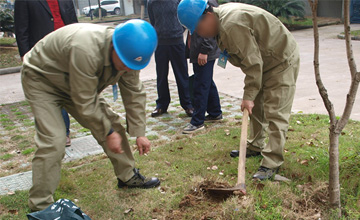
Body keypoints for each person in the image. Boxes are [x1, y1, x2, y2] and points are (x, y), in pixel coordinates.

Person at [21, 20, 160, 211]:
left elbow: (134, 93)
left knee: (113, 124)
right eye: (125, 64)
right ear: (114, 47)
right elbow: (85, 101)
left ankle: (127, 177)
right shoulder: (85, 49)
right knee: (54, 140)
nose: (127, 70)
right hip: (42, 79)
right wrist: (107, 133)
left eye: (132, 66)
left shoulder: (130, 58)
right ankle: (40, 206)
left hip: (75, 82)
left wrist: (139, 133)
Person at [178, 0, 300, 180]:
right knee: (256, 107)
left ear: (208, 16)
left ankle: (271, 163)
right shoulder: (220, 23)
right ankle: (255, 146)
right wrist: (252, 97)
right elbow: (253, 62)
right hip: (264, 60)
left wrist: (248, 96)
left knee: (275, 111)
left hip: (280, 60)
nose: (200, 34)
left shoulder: (231, 25)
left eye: (199, 28)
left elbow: (253, 63)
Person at [15, 0, 78, 146]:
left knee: (67, 90)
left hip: (66, 49)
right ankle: (61, 133)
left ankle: (63, 131)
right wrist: (25, 54)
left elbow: (74, 23)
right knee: (51, 92)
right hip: (42, 53)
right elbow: (21, 28)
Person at [148, 0, 194, 117]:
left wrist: (178, 30)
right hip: (160, 43)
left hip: (176, 42)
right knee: (161, 75)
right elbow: (153, 21)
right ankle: (161, 105)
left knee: (182, 75)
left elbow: (184, 18)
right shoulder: (151, 2)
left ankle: (188, 105)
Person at [182, 0, 222, 134]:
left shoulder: (207, 3)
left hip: (204, 52)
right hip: (197, 50)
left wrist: (205, 50)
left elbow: (211, 27)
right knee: (206, 82)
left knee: (201, 85)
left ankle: (197, 122)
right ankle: (215, 112)